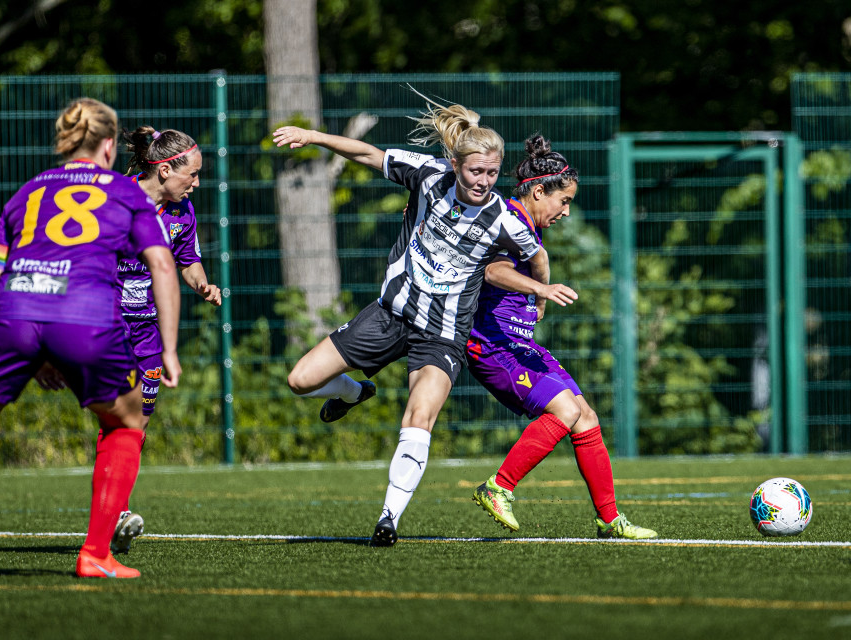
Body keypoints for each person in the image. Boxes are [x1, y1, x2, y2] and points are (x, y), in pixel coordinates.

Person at [0, 98, 182, 579]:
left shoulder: (27, 191)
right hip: (84, 315)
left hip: (13, 311)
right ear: (109, 145)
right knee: (127, 422)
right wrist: (168, 349)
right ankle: (94, 555)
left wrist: (38, 352)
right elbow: (163, 265)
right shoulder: (127, 192)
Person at [273, 96, 576, 547]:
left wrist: (540, 296)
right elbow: (369, 154)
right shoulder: (429, 174)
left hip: (443, 334)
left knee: (419, 414)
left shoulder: (502, 219)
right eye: (476, 172)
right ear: (456, 164)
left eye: (492, 174)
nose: (484, 181)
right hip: (390, 315)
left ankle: (388, 519)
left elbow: (537, 256)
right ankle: (357, 391)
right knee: (300, 379)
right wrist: (313, 136)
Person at [468, 135, 657, 539]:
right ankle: (498, 486)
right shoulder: (513, 222)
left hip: (521, 346)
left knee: (586, 417)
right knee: (565, 412)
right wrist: (541, 290)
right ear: (539, 191)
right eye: (563, 201)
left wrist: (539, 286)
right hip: (493, 346)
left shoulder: (526, 228)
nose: (566, 211)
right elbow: (493, 273)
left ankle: (610, 518)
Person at [109, 126, 221, 553]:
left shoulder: (182, 213)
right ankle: (114, 513)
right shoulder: (115, 199)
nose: (196, 183)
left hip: (148, 332)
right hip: (108, 324)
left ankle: (114, 511)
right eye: (191, 175)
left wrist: (203, 285)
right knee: (121, 416)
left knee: (138, 421)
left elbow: (188, 260)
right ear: (164, 167)